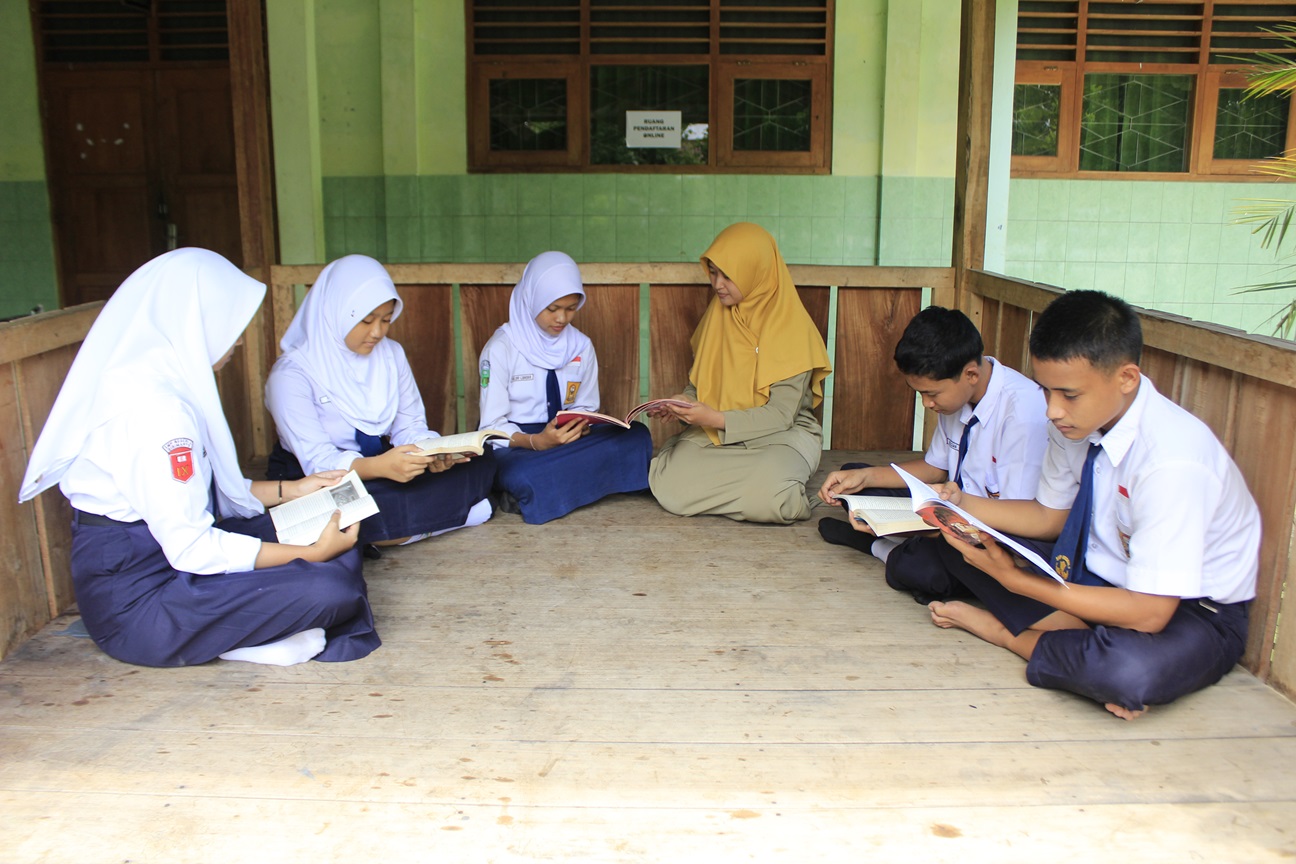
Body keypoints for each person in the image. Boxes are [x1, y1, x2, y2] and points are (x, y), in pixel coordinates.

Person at [18, 248, 380, 668]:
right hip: (141, 602)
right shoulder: (153, 412)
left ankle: (248, 629)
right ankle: (237, 636)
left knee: (333, 528)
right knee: (329, 587)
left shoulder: (165, 383)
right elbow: (192, 548)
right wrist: (312, 555)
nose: (239, 340)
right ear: (193, 323)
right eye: (230, 326)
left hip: (175, 560)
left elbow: (201, 496)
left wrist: (294, 490)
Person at [926, 290, 1259, 720]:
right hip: (1095, 575)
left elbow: (1151, 614)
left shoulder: (1172, 461)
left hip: (1190, 611)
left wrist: (1016, 582)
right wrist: (960, 507)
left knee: (1128, 673)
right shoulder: (1076, 424)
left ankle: (1010, 635)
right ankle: (1076, 643)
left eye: (1069, 394)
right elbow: (1048, 518)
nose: (1052, 410)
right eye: (1046, 390)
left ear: (1126, 378)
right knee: (964, 543)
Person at [816, 306, 1049, 599]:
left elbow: (1017, 521)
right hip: (948, 506)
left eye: (932, 394)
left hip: (992, 530)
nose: (926, 403)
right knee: (855, 483)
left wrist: (930, 528)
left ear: (971, 374)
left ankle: (880, 546)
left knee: (925, 571)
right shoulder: (956, 395)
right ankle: (902, 541)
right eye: (920, 393)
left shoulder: (1023, 415)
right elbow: (936, 468)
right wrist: (865, 476)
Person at [265, 254, 496, 545]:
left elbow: (409, 426)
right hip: (317, 477)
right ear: (335, 311)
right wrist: (379, 468)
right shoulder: (292, 374)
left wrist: (432, 454)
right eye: (366, 320)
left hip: (385, 463)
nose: (377, 332)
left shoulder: (391, 354)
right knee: (352, 505)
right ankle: (450, 518)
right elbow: (318, 461)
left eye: (386, 320)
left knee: (483, 462)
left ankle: (391, 533)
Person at [648, 222, 832, 523]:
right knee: (671, 489)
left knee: (770, 491)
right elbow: (700, 386)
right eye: (713, 273)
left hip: (781, 435)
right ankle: (751, 495)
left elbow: (781, 416)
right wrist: (684, 402)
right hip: (716, 434)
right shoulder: (717, 317)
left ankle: (762, 492)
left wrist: (714, 419)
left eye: (728, 276)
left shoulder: (792, 328)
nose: (718, 284)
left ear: (756, 271)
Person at [477, 250, 653, 524]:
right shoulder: (501, 348)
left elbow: (586, 406)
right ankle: (572, 481)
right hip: (519, 445)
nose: (562, 318)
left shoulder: (580, 346)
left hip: (567, 439)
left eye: (571, 308)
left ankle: (542, 488)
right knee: (521, 472)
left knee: (636, 436)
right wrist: (536, 442)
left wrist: (580, 426)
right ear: (531, 299)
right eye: (553, 309)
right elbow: (491, 428)